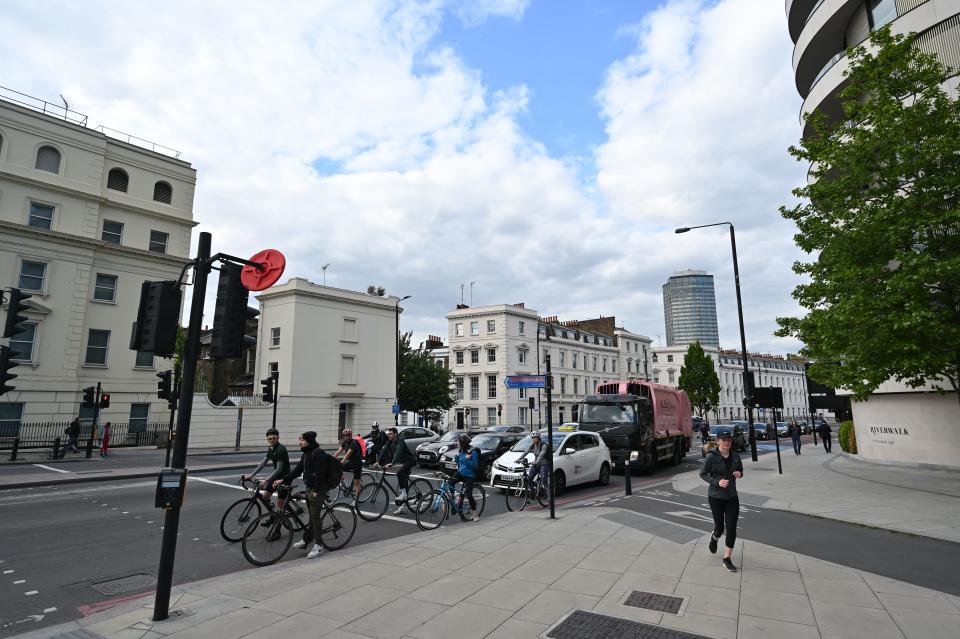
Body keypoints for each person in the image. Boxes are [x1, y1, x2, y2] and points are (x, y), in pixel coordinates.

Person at [275, 431, 338, 559]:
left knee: (315, 515)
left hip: (319, 488)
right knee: (311, 515)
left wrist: (315, 490)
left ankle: (319, 546)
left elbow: (321, 473)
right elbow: (298, 470)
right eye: (300, 440)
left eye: (302, 440)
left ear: (308, 441)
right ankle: (307, 539)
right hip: (310, 487)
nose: (300, 442)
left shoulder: (318, 453)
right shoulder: (306, 454)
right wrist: (284, 479)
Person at [699, 428, 744, 572]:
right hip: (716, 497)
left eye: (728, 440)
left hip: (732, 497)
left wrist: (739, 474)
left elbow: (741, 471)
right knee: (720, 528)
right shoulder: (711, 457)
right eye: (723, 440)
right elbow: (703, 474)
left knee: (731, 528)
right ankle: (714, 537)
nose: (726, 442)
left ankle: (726, 559)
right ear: (718, 441)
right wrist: (716, 482)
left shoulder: (736, 456)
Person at [243, 428, 291, 508]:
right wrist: (251, 475)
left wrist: (266, 480)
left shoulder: (280, 449)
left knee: (280, 506)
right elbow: (263, 463)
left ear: (278, 438)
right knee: (264, 498)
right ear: (267, 439)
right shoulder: (271, 448)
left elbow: (279, 469)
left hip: (284, 477)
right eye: (269, 438)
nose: (272, 440)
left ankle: (282, 518)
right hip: (276, 476)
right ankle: (273, 515)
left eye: (273, 438)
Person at [376, 426, 417, 514]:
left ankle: (404, 495)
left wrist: (393, 463)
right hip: (404, 462)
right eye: (388, 434)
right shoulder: (389, 441)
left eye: (390, 434)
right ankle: (402, 504)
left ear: (395, 434)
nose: (389, 435)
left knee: (399, 473)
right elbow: (384, 450)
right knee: (402, 479)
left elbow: (398, 451)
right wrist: (378, 461)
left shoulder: (400, 440)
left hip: (410, 460)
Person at [450, 434, 480, 521]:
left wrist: (467, 459)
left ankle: (475, 514)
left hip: (470, 475)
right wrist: (457, 456)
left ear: (463, 443)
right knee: (450, 482)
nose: (457, 443)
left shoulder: (472, 452)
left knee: (469, 494)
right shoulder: (461, 451)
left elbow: (475, 465)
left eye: (459, 441)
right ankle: (453, 501)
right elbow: (457, 461)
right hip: (461, 472)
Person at [334, 428, 363, 500]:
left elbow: (347, 455)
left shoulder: (353, 443)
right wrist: (330, 459)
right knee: (338, 468)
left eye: (349, 435)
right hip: (351, 462)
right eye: (346, 436)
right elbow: (338, 452)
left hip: (357, 463)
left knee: (356, 482)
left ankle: (356, 500)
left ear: (351, 435)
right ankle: (342, 478)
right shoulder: (345, 442)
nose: (347, 437)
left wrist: (341, 462)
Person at [526, 432, 550, 499]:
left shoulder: (543, 445)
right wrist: (518, 459)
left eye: (535, 438)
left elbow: (541, 455)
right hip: (536, 463)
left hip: (544, 464)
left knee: (544, 481)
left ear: (539, 438)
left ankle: (549, 499)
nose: (533, 439)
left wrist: (536, 462)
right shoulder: (533, 445)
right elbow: (526, 452)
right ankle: (533, 493)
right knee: (529, 479)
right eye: (532, 438)